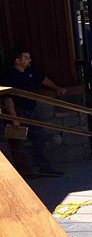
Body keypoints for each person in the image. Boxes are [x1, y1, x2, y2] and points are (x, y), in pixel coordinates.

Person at [2, 47, 66, 177]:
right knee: (19, 143)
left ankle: (43, 167)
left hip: (31, 111)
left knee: (39, 138)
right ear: (17, 60)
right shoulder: (8, 75)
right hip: (18, 112)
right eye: (26, 58)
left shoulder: (30, 71)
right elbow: (8, 99)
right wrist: (14, 118)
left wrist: (57, 87)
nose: (29, 60)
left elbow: (43, 79)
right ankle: (25, 172)